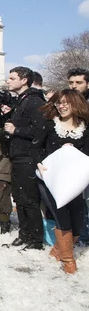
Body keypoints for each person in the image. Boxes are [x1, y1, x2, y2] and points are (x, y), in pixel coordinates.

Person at [35, 89, 89, 274]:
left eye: (66, 102)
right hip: (49, 179)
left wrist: (74, 151)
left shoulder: (85, 128)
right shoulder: (50, 125)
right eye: (59, 102)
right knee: (62, 219)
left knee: (78, 222)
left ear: (76, 104)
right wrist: (40, 164)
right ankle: (68, 261)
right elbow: (36, 148)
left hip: (74, 183)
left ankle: (57, 250)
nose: (62, 106)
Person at [2, 67, 45, 249]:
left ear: (24, 80)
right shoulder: (21, 101)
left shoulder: (34, 101)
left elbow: (40, 131)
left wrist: (16, 130)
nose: (8, 81)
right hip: (17, 156)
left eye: (12, 78)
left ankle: (35, 240)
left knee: (29, 199)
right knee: (19, 199)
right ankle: (24, 234)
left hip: (28, 157)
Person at [67, 67, 89, 244]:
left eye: (78, 82)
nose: (74, 86)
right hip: (76, 158)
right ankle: (82, 236)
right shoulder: (68, 102)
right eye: (71, 82)